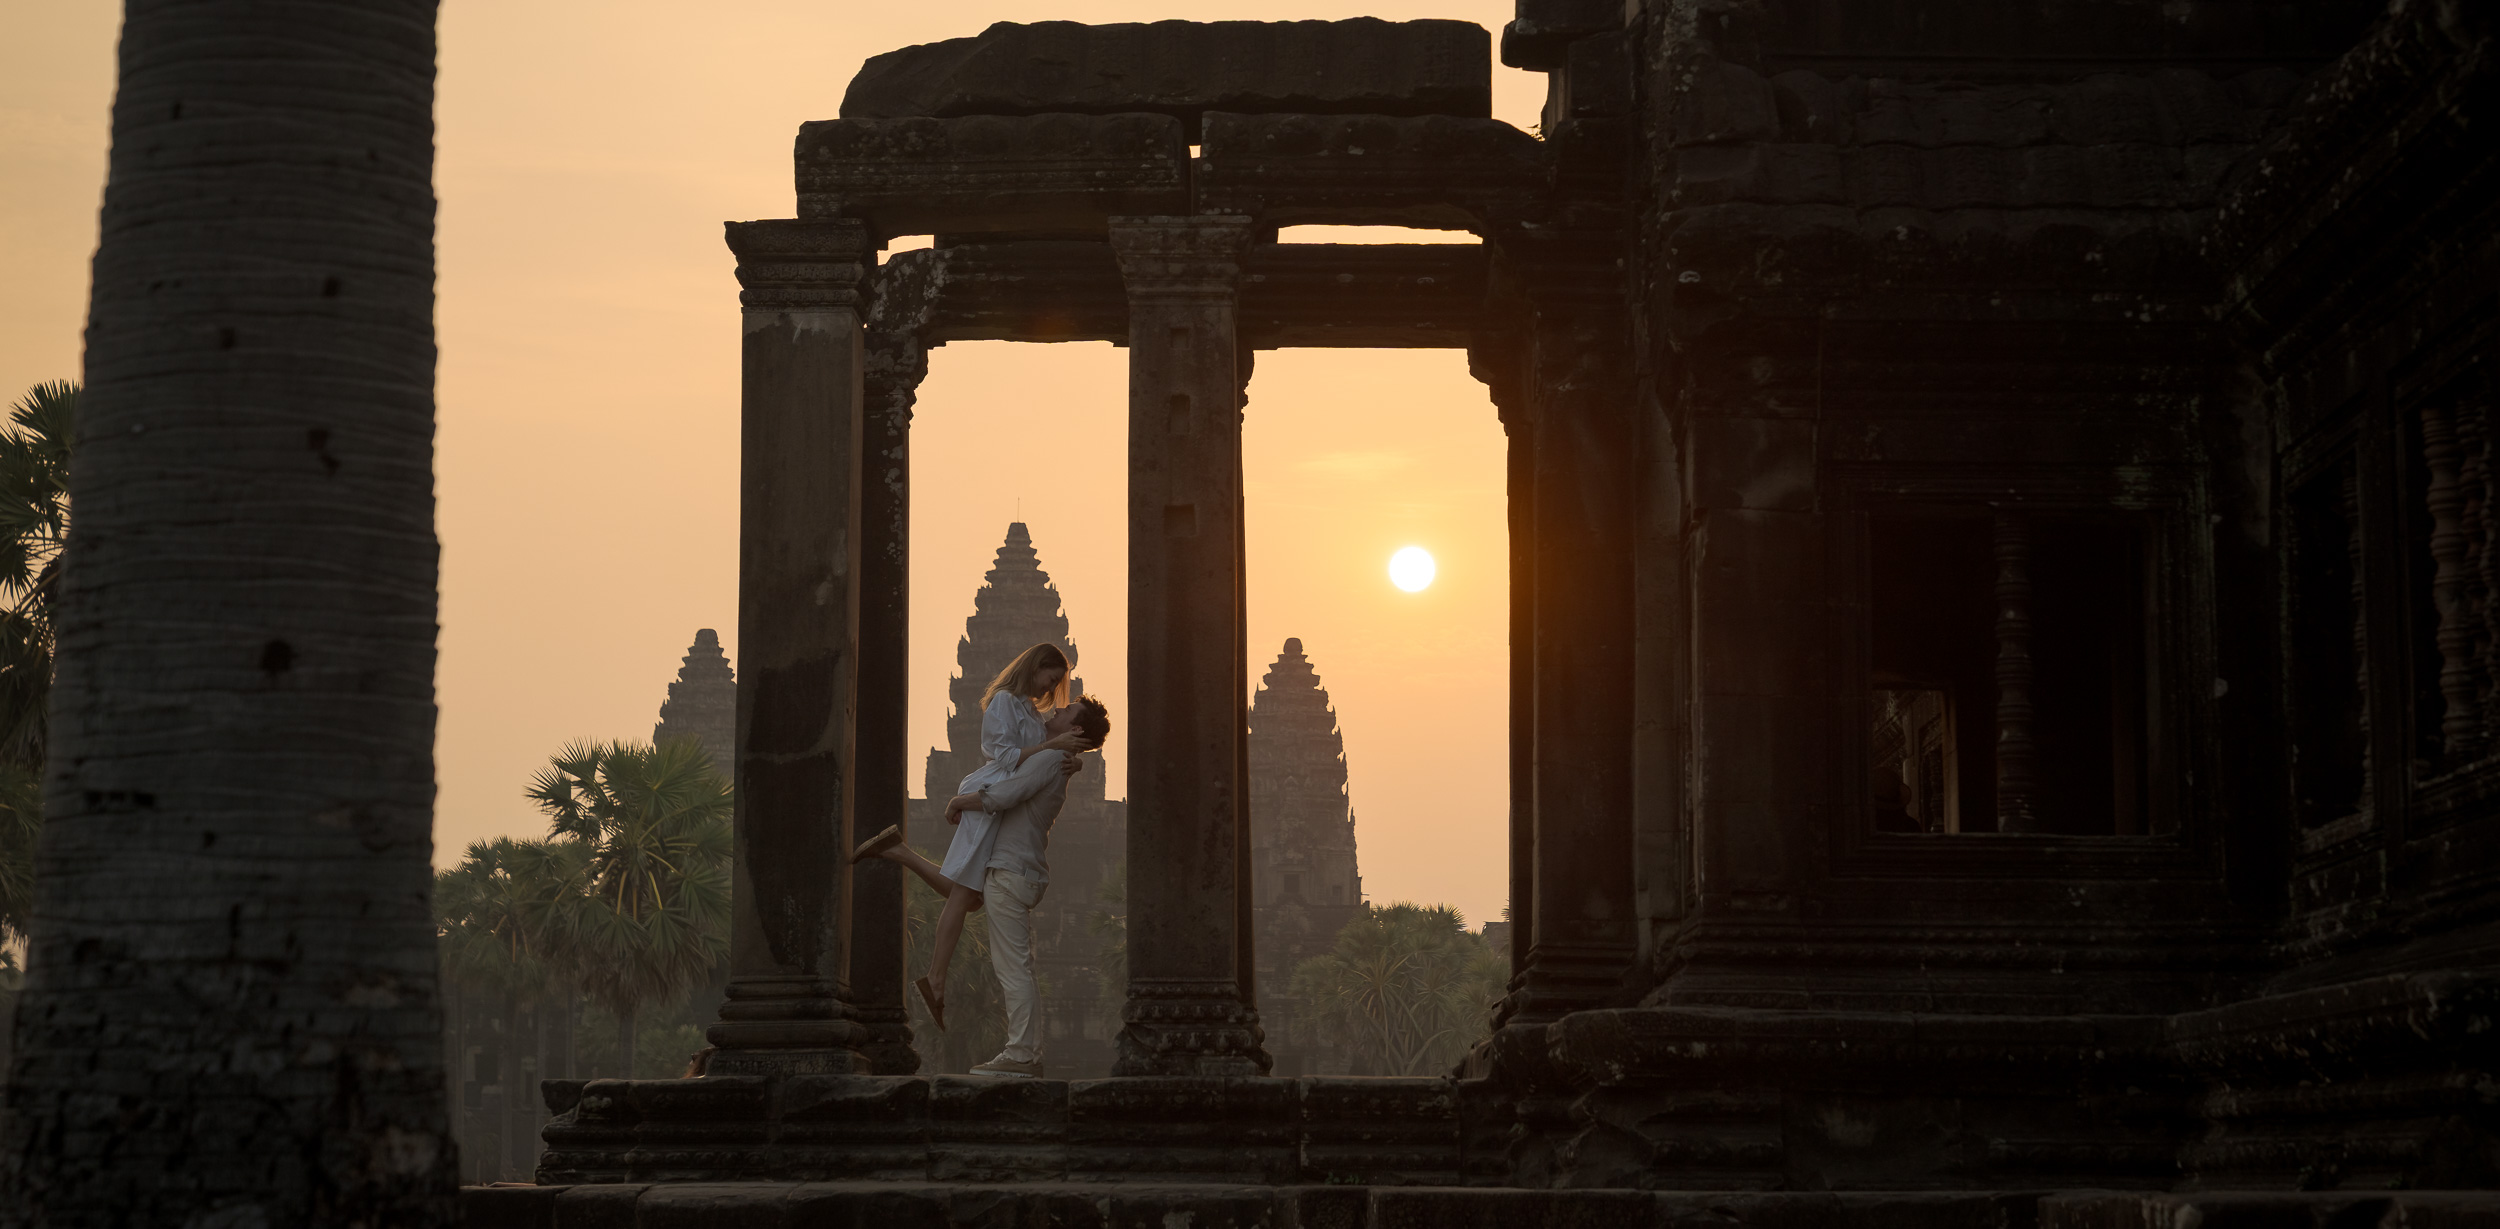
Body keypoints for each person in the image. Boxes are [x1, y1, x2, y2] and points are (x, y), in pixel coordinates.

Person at [848, 643, 1091, 1029]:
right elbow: (1006, 756)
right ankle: (935, 976)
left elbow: (1050, 750)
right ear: (1035, 667)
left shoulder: (1029, 708)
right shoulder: (1003, 703)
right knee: (965, 895)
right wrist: (1052, 746)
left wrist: (1070, 757)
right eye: (1053, 677)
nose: (1053, 688)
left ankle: (898, 853)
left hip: (1004, 802)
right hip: (990, 796)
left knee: (968, 895)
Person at [938, 694, 1108, 1078]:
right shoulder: (1056, 758)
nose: (1057, 710)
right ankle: (1025, 1051)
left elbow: (1006, 794)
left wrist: (959, 800)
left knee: (1013, 969)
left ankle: (1021, 1054)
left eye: (1066, 712)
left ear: (1076, 729)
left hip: (1011, 871)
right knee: (1020, 967)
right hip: (1021, 870)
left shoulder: (1051, 758)